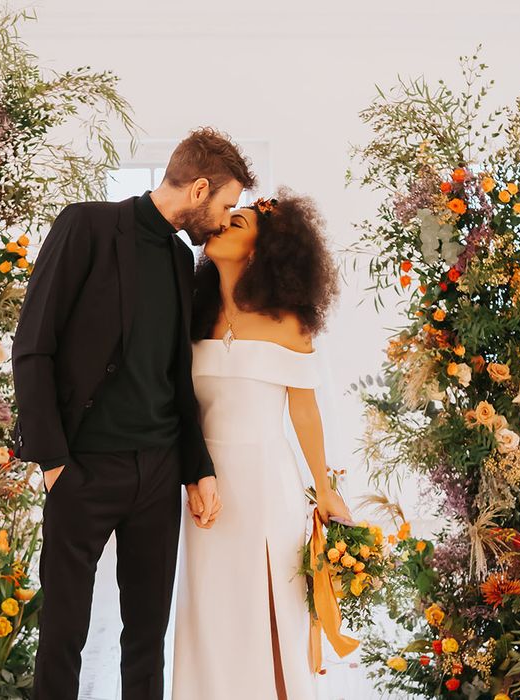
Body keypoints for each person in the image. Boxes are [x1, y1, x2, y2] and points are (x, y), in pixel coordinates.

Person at [10, 127, 256, 700]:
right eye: (225, 206)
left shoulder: (176, 255)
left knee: (146, 639)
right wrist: (53, 463)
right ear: (199, 189)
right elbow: (32, 345)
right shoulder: (86, 226)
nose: (224, 220)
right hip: (84, 470)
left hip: (158, 473)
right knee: (63, 634)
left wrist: (196, 469)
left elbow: (175, 376)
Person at [173, 188, 353, 700]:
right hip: (204, 490)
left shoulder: (288, 322)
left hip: (269, 487)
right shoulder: (192, 314)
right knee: (211, 618)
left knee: (275, 616)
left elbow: (304, 409)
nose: (223, 223)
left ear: (261, 250)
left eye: (239, 221)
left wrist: (324, 487)